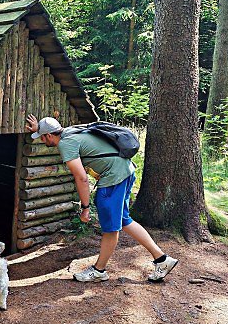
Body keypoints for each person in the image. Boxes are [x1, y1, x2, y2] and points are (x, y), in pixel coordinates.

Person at [25, 115, 178, 283]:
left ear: (48, 135)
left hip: (113, 178)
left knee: (111, 228)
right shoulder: (70, 132)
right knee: (123, 219)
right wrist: (38, 129)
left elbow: (81, 178)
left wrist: (85, 208)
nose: (42, 141)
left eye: (41, 137)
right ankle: (162, 259)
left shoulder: (65, 144)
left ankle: (99, 270)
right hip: (126, 171)